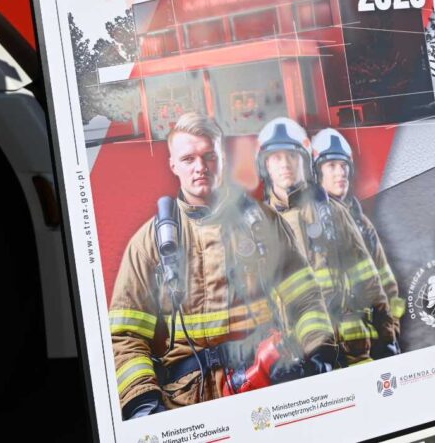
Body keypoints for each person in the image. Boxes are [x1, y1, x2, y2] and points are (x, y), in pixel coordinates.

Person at [109, 112, 336, 419]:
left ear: (222, 159)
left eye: (209, 156)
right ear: (173, 165)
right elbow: (125, 336)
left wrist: (320, 353)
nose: (200, 167)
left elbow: (305, 300)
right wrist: (143, 403)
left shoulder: (264, 224)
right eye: (188, 159)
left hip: (264, 386)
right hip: (184, 403)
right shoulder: (148, 243)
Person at [257, 117, 394, 366]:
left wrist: (387, 337)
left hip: (352, 350)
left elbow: (368, 279)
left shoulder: (333, 212)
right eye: (276, 157)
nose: (285, 164)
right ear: (266, 165)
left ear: (304, 159)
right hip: (299, 357)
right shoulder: (259, 227)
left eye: (292, 156)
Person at [310, 128, 404, 359]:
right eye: (331, 165)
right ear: (316, 173)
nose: (340, 172)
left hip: (373, 342)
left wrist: (391, 329)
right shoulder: (309, 222)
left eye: (344, 166)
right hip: (335, 348)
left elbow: (388, 284)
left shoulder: (362, 223)